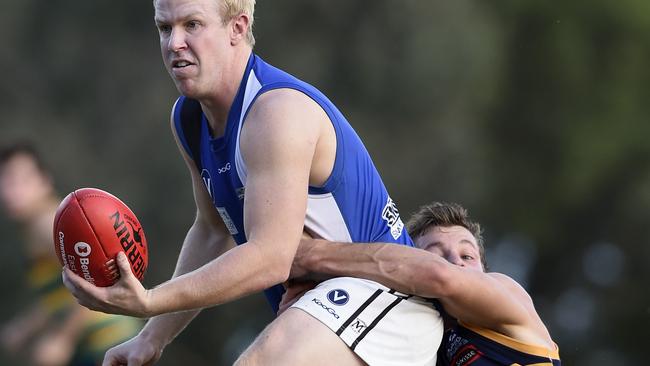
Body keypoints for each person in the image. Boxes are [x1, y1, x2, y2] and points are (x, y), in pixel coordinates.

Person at [61, 0, 443, 365]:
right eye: (165, 27)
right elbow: (213, 232)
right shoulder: (189, 119)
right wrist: (151, 337)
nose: (174, 43)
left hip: (391, 305)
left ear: (237, 27)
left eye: (192, 25)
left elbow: (270, 258)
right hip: (327, 314)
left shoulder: (276, 113)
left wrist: (151, 300)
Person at [288, 202, 561, 365]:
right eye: (436, 255)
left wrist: (309, 257)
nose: (455, 261)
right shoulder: (417, 344)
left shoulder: (507, 294)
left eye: (468, 255)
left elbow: (441, 277)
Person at [0, 143, 142, 366]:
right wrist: (25, 327)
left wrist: (62, 339)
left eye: (21, 181)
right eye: (5, 182)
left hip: (107, 342)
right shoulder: (33, 230)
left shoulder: (48, 226)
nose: (11, 191)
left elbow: (91, 282)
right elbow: (62, 297)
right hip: (94, 347)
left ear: (44, 181)